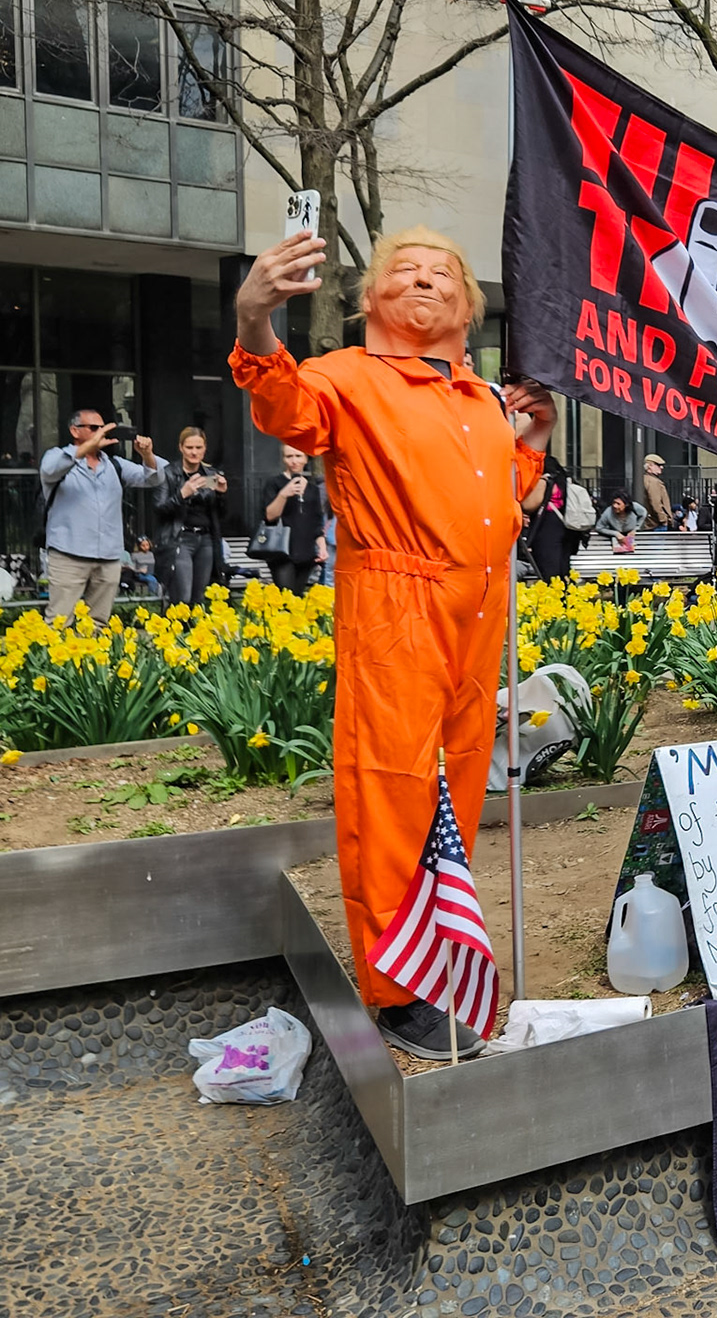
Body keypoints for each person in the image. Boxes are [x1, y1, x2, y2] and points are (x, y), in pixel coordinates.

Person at [228, 223, 553, 1060]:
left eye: (442, 272)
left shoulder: (484, 398)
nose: (422, 280)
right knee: (392, 787)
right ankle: (396, 986)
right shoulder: (347, 376)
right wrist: (256, 318)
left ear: (468, 304)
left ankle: (441, 943)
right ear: (371, 299)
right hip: (397, 603)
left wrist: (536, 442)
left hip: (480, 613)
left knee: (464, 779)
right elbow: (284, 408)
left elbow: (501, 500)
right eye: (402, 271)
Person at [39, 409, 165, 619]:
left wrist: (147, 455)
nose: (101, 432)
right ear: (74, 431)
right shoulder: (56, 457)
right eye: (94, 428)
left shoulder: (114, 464)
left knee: (97, 624)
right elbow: (50, 470)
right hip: (68, 555)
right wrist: (87, 448)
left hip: (108, 557)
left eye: (103, 428)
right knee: (59, 623)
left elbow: (153, 479)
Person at [153, 427, 228, 606]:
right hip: (179, 538)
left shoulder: (211, 474)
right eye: (189, 447)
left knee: (199, 597)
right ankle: (174, 631)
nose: (194, 452)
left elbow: (221, 514)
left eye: (198, 447)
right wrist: (182, 494)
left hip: (206, 539)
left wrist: (221, 494)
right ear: (181, 448)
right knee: (182, 597)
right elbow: (159, 508)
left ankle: (193, 632)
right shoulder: (169, 473)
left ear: (205, 448)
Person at [260, 444, 329, 594]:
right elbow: (269, 516)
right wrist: (284, 494)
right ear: (283, 459)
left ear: (306, 459)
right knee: (285, 597)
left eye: (298, 456)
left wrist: (322, 548)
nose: (294, 461)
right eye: (289, 456)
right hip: (281, 551)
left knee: (298, 598)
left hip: (306, 552)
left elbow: (317, 523)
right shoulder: (274, 483)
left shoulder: (312, 489)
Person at [520, 452, 577, 581]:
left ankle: (552, 597)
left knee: (548, 570)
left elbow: (529, 505)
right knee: (562, 570)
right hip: (566, 526)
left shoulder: (544, 481)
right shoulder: (565, 481)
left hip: (547, 526)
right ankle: (564, 597)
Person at [640, 453, 673, 529]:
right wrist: (663, 519)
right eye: (658, 465)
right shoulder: (653, 482)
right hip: (656, 524)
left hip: (652, 523)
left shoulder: (646, 479)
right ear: (650, 466)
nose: (661, 467)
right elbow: (655, 503)